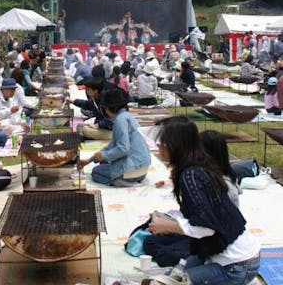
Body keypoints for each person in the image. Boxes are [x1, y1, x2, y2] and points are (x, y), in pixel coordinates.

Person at [147, 116, 260, 285]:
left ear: (175, 145)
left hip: (237, 264)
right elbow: (199, 213)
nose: (159, 148)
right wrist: (169, 220)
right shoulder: (195, 169)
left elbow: (207, 227)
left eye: (162, 143)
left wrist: (168, 226)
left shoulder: (191, 174)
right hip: (222, 255)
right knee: (168, 276)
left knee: (166, 282)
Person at [144, 129, 241, 267]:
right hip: (197, 229)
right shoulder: (199, 174)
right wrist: (169, 219)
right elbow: (195, 213)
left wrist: (171, 226)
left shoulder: (221, 182)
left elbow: (209, 226)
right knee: (149, 241)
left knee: (165, 255)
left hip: (214, 238)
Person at [77, 88, 151, 187]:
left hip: (133, 170)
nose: (106, 112)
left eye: (106, 108)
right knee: (103, 164)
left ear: (112, 108)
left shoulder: (120, 120)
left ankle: (123, 182)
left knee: (96, 172)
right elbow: (113, 145)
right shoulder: (127, 116)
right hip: (143, 168)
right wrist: (91, 159)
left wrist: (104, 156)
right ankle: (125, 179)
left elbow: (123, 148)